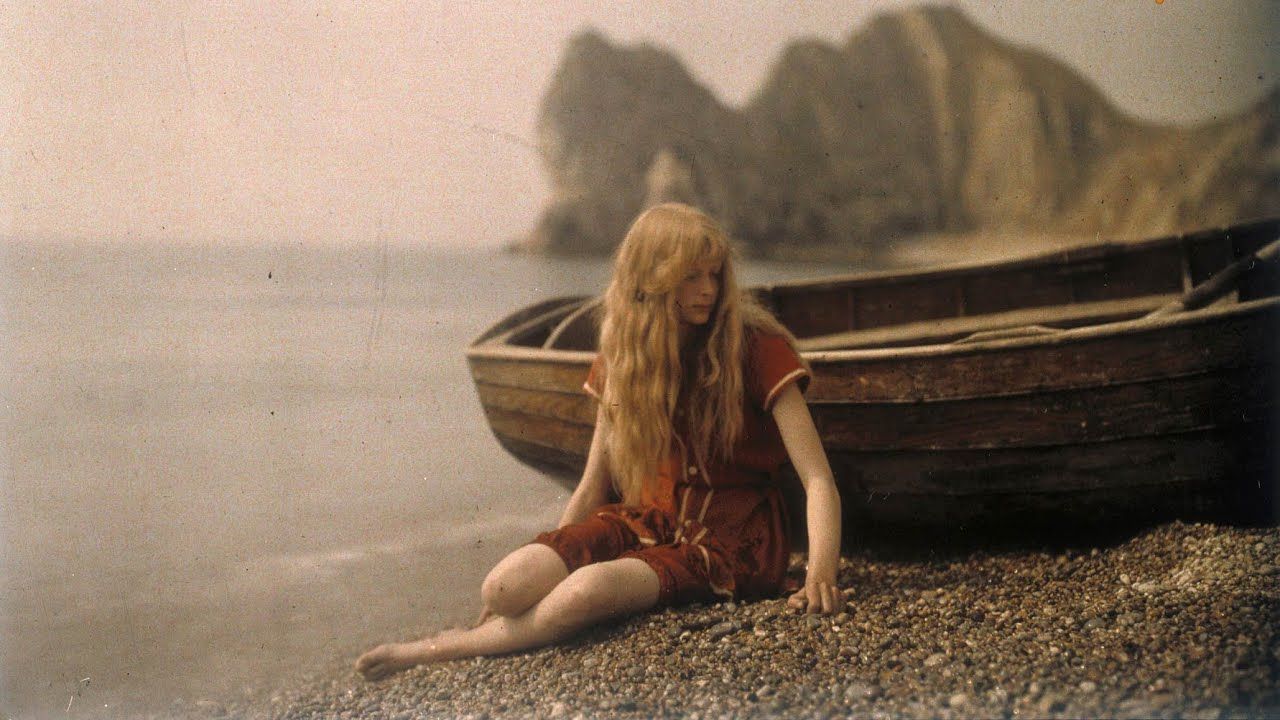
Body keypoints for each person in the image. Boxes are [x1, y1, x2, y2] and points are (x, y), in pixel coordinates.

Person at [356, 203, 843, 681]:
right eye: (692, 277)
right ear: (651, 279)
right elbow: (592, 486)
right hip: (647, 520)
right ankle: (489, 625)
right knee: (505, 587)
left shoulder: (756, 346)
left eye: (715, 275)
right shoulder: (624, 359)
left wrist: (821, 572)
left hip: (731, 542)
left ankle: (435, 649)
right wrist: (561, 549)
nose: (709, 291)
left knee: (585, 591)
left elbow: (817, 477)